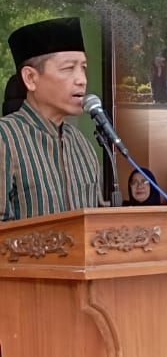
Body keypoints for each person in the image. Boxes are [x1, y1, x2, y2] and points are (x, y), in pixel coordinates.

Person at [1, 17, 103, 221]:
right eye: (68, 68)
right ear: (30, 78)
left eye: (83, 68)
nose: (81, 80)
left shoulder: (82, 144)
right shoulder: (5, 139)